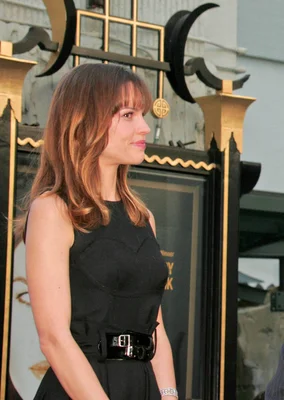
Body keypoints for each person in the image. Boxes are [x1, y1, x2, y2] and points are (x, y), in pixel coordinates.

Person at [18, 63, 178, 399]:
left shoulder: (142, 217)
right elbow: (54, 338)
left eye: (143, 115)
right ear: (85, 120)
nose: (145, 127)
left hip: (142, 385)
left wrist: (169, 394)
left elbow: (156, 328)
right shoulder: (53, 211)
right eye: (128, 115)